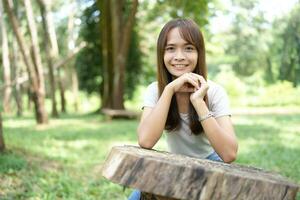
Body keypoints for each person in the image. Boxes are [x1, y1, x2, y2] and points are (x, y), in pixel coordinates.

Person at [128, 18, 238, 200]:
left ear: (199, 53)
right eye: (171, 48)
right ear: (161, 54)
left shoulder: (215, 92)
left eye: (188, 48)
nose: (179, 56)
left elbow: (229, 154)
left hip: (212, 164)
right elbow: (146, 141)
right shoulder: (155, 90)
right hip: (174, 164)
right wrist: (169, 90)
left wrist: (198, 101)